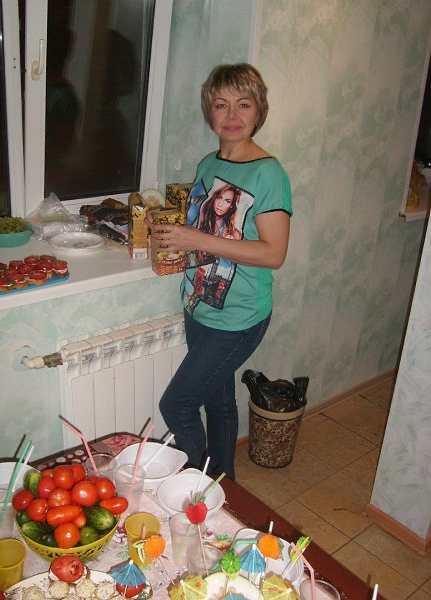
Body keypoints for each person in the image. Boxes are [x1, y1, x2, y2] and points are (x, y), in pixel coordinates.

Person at [148, 63, 292, 480]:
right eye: (221, 104)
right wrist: (171, 231)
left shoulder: (268, 173)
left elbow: (274, 253)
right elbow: (208, 228)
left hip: (239, 316)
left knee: (176, 405)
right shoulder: (208, 164)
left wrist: (196, 238)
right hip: (200, 304)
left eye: (243, 105)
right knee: (219, 402)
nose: (231, 115)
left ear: (258, 111)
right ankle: (225, 485)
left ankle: (200, 487)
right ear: (209, 111)